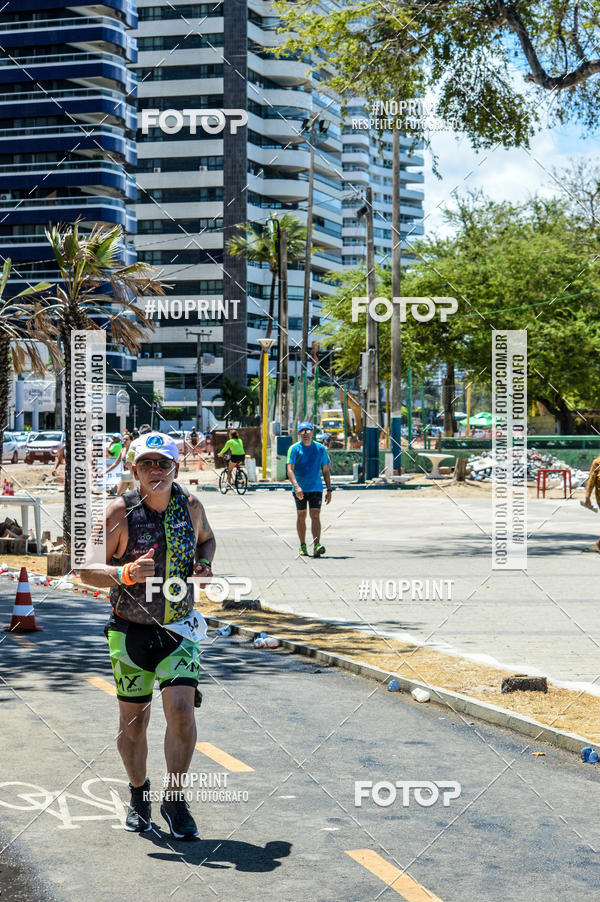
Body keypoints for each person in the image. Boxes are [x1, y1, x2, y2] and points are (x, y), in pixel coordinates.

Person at [80, 432, 216, 839]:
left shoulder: (190, 505)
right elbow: (85, 569)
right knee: (133, 725)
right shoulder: (119, 512)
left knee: (182, 712)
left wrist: (204, 565)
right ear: (134, 469)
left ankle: (175, 800)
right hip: (130, 631)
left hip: (179, 628)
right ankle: (139, 793)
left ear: (176, 467)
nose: (156, 470)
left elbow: (207, 540)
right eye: (147, 463)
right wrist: (123, 573)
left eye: (164, 463)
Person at [286, 421, 332, 557]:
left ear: (312, 432)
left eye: (308, 431)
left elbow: (325, 470)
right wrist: (296, 486)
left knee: (315, 515)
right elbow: (290, 469)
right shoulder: (294, 449)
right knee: (301, 515)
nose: (305, 434)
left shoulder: (320, 449)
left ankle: (317, 545)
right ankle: (302, 545)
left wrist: (329, 489)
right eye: (302, 431)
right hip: (300, 489)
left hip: (316, 488)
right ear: (299, 433)